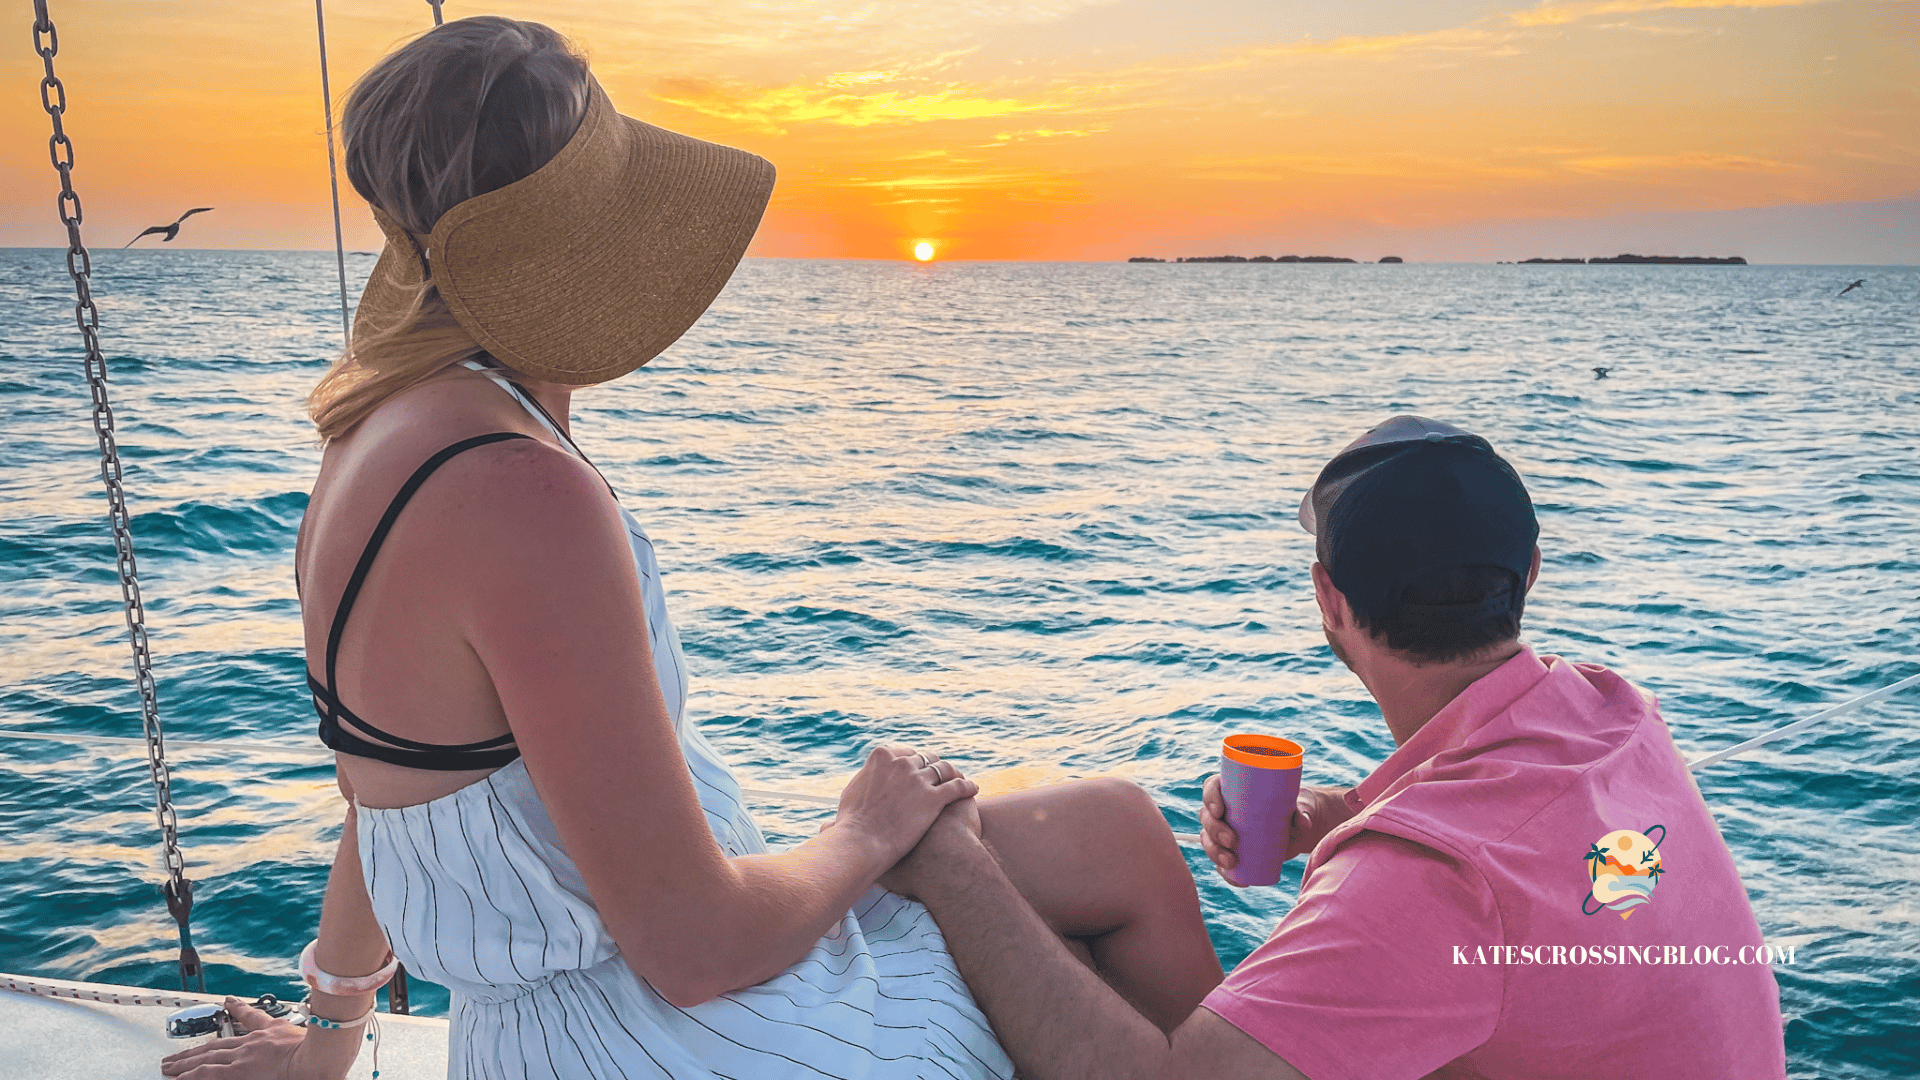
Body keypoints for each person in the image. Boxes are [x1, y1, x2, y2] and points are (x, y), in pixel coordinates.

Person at [159, 17, 1222, 1080]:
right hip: (678, 1040)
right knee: (1076, 923)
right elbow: (694, 950)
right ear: (580, 241)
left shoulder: (371, 441)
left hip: (549, 1032)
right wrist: (865, 827)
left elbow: (380, 807)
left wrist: (333, 1039)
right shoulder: (521, 491)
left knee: (1115, 828)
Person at [886, 415, 1788, 1079]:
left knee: (1050, 939)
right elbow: (1507, 824)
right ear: (1530, 575)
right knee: (1118, 833)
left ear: (1330, 599)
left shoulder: (1428, 882)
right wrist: (1332, 815)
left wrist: (949, 864)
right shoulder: (1611, 710)